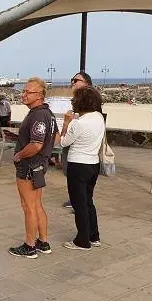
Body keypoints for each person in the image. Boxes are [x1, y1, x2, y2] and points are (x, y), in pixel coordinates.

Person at [8, 77, 58, 259]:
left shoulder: (38, 115)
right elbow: (56, 137)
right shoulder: (48, 114)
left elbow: (36, 144)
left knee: (28, 206)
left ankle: (30, 245)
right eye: (24, 91)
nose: (24, 94)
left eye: (28, 92)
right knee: (36, 205)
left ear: (40, 95)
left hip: (29, 166)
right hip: (40, 165)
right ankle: (43, 242)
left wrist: (19, 154)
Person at [59, 86, 105, 250]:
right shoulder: (99, 117)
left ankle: (82, 240)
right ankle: (94, 236)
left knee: (79, 204)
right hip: (93, 164)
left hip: (78, 165)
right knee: (88, 201)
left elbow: (63, 142)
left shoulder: (78, 123)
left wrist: (66, 123)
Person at [61, 71, 94, 209]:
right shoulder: (75, 99)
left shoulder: (90, 102)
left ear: (86, 84)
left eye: (76, 80)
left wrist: (67, 123)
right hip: (72, 138)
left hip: (80, 146)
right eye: (72, 80)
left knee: (79, 178)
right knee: (68, 171)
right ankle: (77, 200)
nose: (73, 83)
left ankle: (80, 204)